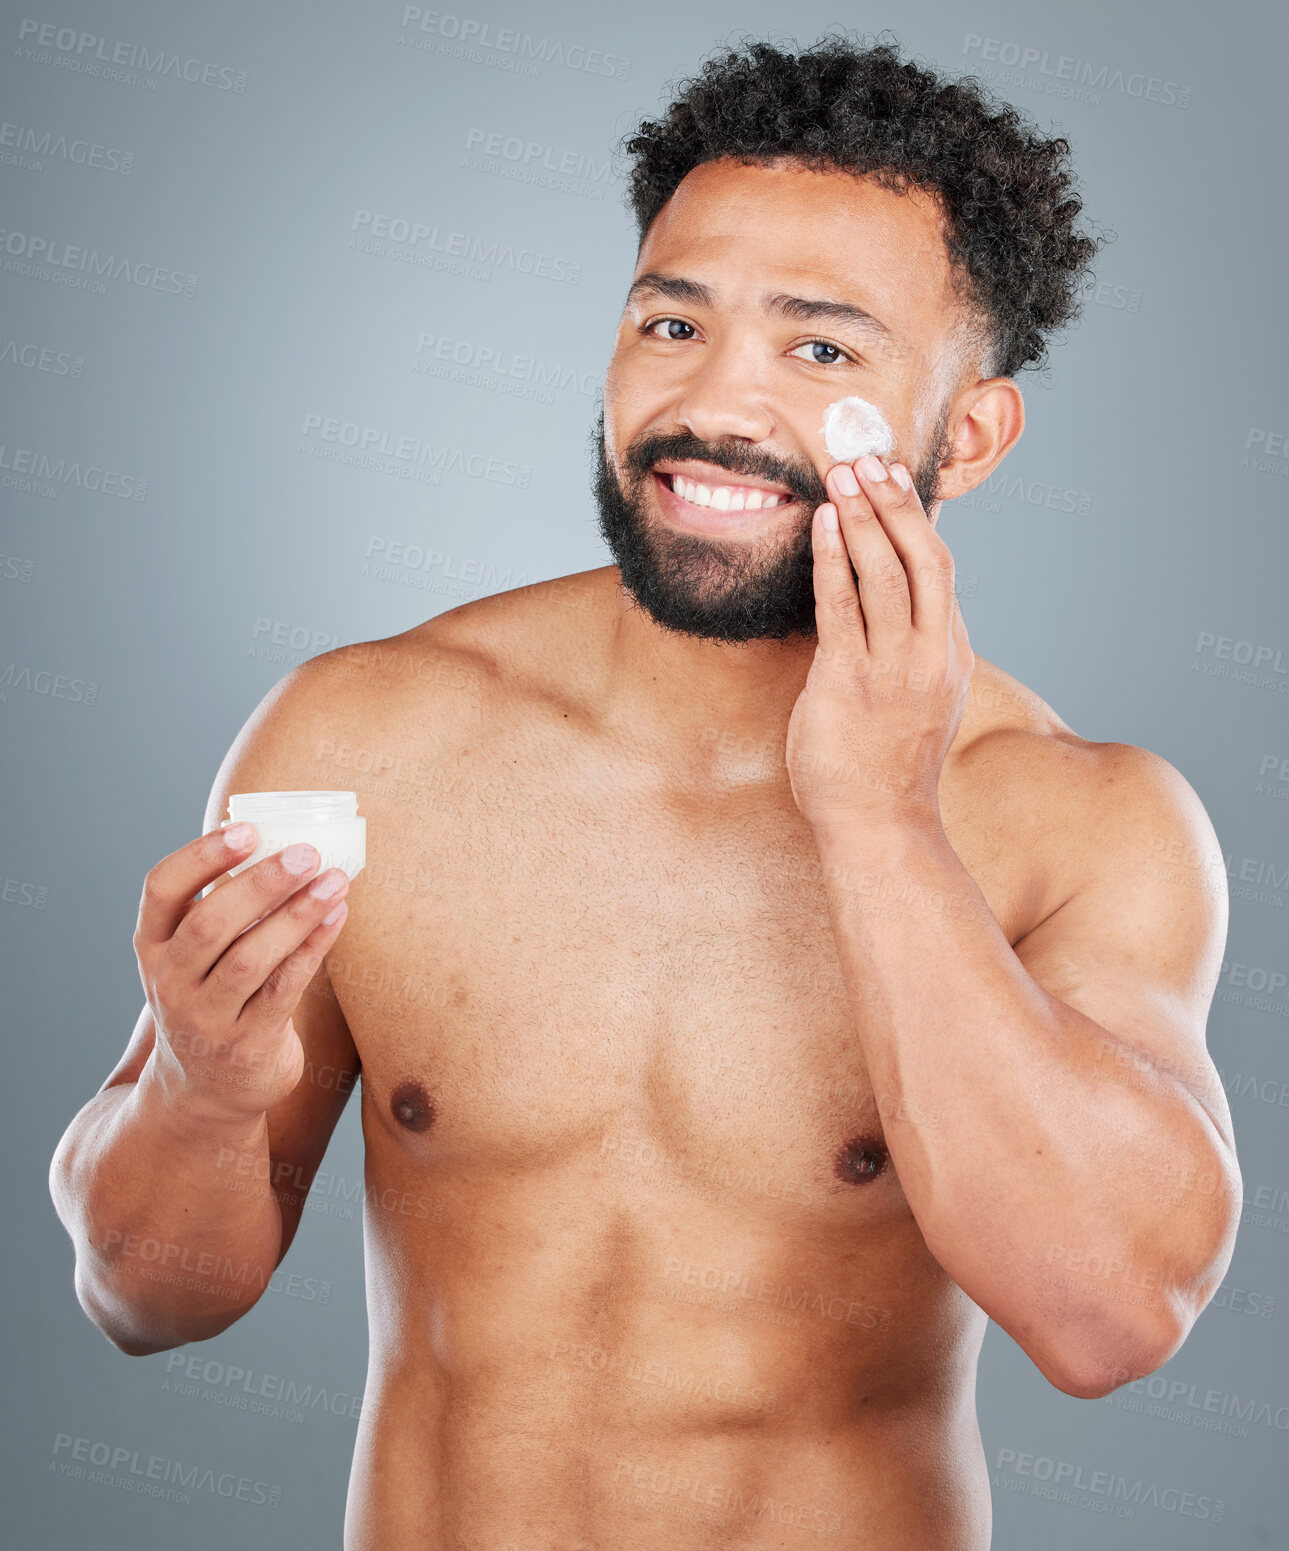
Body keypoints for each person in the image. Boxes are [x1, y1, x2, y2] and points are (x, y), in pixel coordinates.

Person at [49, 33, 1240, 1550]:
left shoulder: (1081, 822)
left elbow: (1109, 1317)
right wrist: (202, 1093)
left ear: (972, 433)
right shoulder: (369, 732)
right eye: (671, 324)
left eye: (822, 351)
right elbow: (146, 1298)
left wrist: (878, 820)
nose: (713, 407)